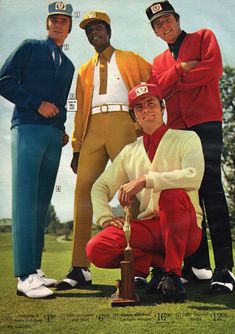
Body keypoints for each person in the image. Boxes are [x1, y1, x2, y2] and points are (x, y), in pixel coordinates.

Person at [55, 11, 152, 290]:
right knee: (82, 191)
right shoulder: (84, 69)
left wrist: (146, 123)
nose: (93, 32)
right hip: (92, 128)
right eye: (88, 30)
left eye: (98, 27)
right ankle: (79, 268)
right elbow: (80, 110)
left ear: (108, 31)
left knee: (133, 191)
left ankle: (137, 268)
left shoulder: (131, 58)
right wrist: (76, 146)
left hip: (124, 123)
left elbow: (156, 85)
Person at [145, 0, 235, 294]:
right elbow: (157, 91)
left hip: (206, 122)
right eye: (158, 24)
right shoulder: (158, 61)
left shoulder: (204, 37)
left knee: (210, 188)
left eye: (168, 19)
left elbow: (212, 71)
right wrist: (181, 69)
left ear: (177, 19)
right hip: (178, 130)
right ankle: (196, 265)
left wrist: (174, 82)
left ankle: (223, 269)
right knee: (187, 195)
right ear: (156, 33)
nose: (165, 25)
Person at [85, 82, 204, 302]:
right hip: (151, 228)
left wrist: (145, 180)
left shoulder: (187, 138)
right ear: (134, 117)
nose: (146, 110)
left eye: (151, 103)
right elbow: (99, 187)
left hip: (186, 229)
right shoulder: (130, 151)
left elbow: (194, 176)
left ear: (162, 107)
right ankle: (158, 267)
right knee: (96, 249)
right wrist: (105, 219)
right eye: (139, 108)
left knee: (171, 193)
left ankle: (173, 275)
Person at [0, 1, 74, 298]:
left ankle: (36, 270)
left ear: (69, 28)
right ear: (47, 24)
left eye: (63, 21)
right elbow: (4, 81)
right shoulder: (29, 47)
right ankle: (24, 275)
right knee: (25, 199)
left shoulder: (67, 65)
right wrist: (35, 103)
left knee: (42, 202)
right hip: (27, 128)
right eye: (54, 20)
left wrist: (62, 128)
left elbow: (60, 103)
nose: (58, 25)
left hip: (53, 135)